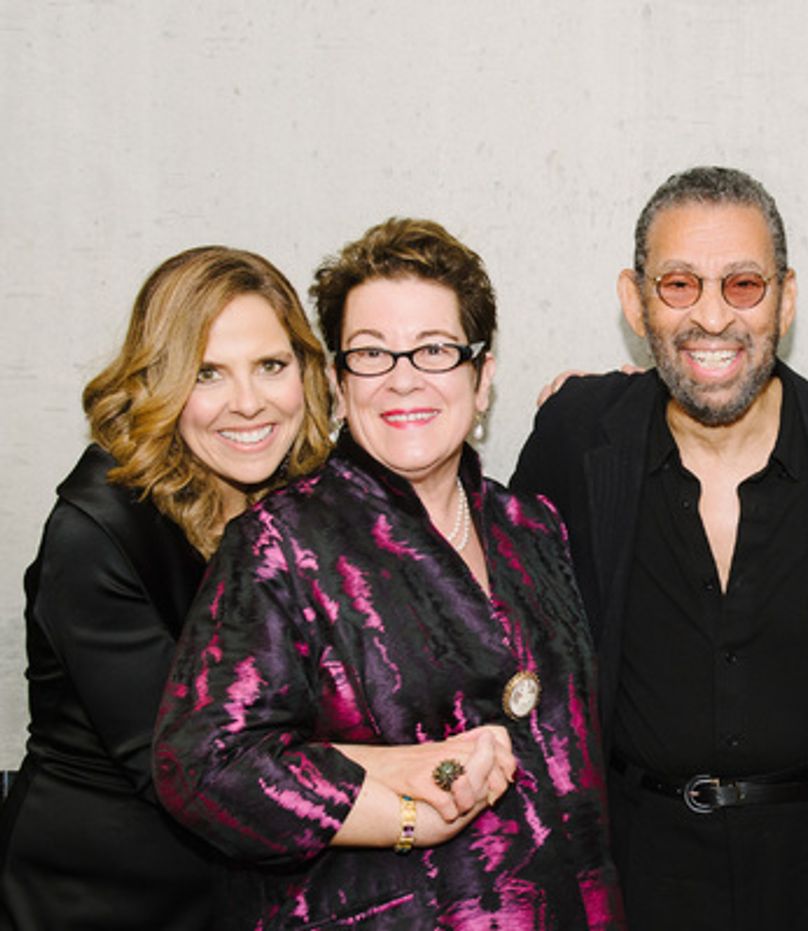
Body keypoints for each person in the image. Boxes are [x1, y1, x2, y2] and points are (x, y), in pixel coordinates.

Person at [153, 218, 621, 929]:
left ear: (482, 377)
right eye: (372, 354)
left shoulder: (533, 527)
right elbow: (204, 767)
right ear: (338, 385)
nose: (404, 379)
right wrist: (404, 816)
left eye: (435, 349)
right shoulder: (282, 542)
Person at [513, 166, 808, 930]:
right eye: (678, 284)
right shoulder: (575, 437)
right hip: (636, 879)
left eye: (743, 284)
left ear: (785, 299)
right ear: (634, 300)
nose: (711, 315)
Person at [0, 246, 335, 929]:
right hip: (99, 901)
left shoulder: (305, 500)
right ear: (158, 383)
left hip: (251, 893)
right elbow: (195, 775)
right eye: (208, 373)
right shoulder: (97, 533)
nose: (249, 403)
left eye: (271, 365)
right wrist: (410, 800)